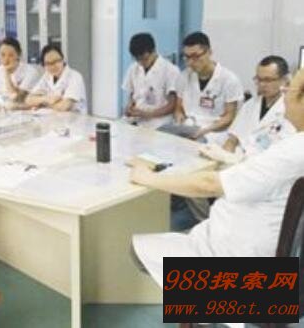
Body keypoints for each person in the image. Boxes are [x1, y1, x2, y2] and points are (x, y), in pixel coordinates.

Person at [130, 68, 304, 288]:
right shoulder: (293, 144)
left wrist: (147, 177)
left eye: (288, 90)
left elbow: (209, 184)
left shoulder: (294, 149)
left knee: (138, 250)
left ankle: (219, 301)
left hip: (240, 257)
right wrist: (231, 159)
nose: (284, 95)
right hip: (253, 240)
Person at [164, 32, 244, 143]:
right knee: (161, 136)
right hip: (188, 127)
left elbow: (229, 117)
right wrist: (179, 117)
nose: (190, 62)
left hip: (214, 132)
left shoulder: (229, 80)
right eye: (187, 57)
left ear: (209, 52)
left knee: (194, 146)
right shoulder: (184, 76)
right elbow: (179, 108)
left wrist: (205, 130)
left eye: (196, 56)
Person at [219, 56, 295, 157]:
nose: (262, 84)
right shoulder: (249, 105)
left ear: (284, 80)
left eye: (268, 80)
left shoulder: (291, 111)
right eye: (259, 79)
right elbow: (232, 139)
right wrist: (224, 156)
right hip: (239, 159)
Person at [122, 33, 180, 128]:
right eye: (137, 59)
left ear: (153, 51)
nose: (141, 63)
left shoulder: (170, 70)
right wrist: (129, 106)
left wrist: (147, 114)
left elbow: (172, 105)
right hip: (136, 119)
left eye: (144, 59)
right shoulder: (134, 68)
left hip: (159, 122)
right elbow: (132, 93)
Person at [26, 44, 87, 114]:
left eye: (56, 61)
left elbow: (64, 106)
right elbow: (28, 100)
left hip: (73, 119)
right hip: (51, 118)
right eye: (48, 63)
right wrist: (46, 99)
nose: (52, 66)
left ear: (63, 59)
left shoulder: (75, 77)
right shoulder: (47, 76)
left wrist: (42, 104)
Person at [0, 37, 39, 106]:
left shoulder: (30, 72)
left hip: (24, 110)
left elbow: (18, 98)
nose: (6, 59)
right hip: (2, 109)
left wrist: (7, 74)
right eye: (2, 55)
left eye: (10, 55)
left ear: (18, 55)